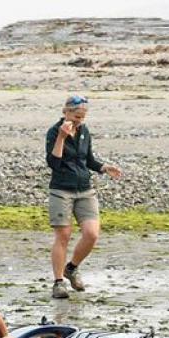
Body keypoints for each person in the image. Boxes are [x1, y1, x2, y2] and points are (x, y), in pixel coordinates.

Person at [45, 95, 122, 299]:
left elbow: (88, 160)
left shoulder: (84, 131)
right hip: (61, 189)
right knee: (63, 235)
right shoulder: (54, 132)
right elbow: (54, 163)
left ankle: (72, 268)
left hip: (85, 189)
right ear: (66, 112)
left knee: (92, 234)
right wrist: (62, 137)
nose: (79, 120)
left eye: (82, 116)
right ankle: (58, 282)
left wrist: (104, 167)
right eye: (76, 116)